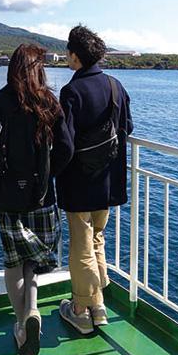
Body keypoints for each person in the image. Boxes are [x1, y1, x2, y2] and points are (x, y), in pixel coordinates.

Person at [0, 43, 72, 355]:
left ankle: (22, 323)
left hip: (6, 196)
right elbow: (66, 148)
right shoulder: (49, 102)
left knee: (13, 262)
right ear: (40, 69)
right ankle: (31, 310)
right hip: (42, 197)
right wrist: (48, 175)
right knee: (33, 260)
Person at [55, 25, 133, 334]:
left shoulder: (71, 92)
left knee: (81, 246)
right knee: (97, 239)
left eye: (68, 52)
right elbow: (127, 127)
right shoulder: (115, 86)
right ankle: (98, 306)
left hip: (79, 183)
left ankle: (80, 310)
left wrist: (52, 171)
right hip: (109, 180)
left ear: (75, 56)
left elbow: (65, 143)